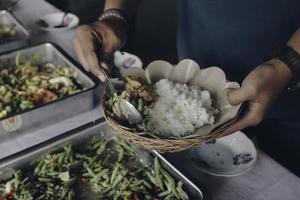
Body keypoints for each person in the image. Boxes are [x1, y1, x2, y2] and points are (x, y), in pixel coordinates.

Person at [73, 0, 300, 175]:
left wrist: (289, 63)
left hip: (291, 91)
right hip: (197, 75)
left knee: (286, 177)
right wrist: (115, 14)